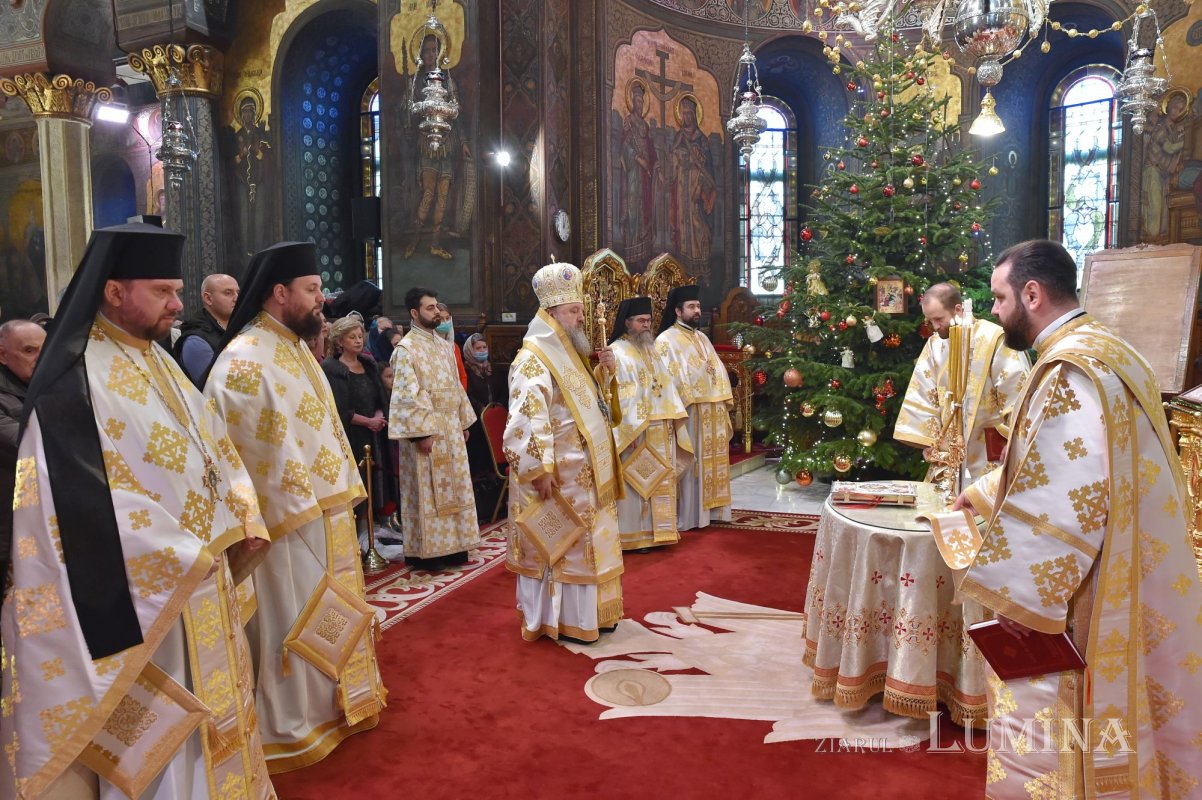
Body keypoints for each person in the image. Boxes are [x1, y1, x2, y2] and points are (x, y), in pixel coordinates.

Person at [0, 223, 274, 798]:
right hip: (146, 598)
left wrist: (243, 517)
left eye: (177, 289)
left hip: (203, 578)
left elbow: (214, 450)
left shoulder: (161, 362)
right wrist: (184, 555)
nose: (177, 303)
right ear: (114, 291)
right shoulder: (73, 383)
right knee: (170, 740)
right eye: (163, 290)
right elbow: (74, 507)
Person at [949, 240, 1202, 797]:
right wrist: (989, 492)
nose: (994, 311)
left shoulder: (1068, 368)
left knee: (1050, 725)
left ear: (1032, 294)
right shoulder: (1111, 348)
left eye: (999, 298)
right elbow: (1078, 460)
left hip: (1092, 584)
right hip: (1142, 559)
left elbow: (1069, 500)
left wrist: (1020, 600)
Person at [204, 241, 386, 772]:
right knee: (294, 619)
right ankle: (297, 723)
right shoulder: (242, 361)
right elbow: (239, 452)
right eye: (312, 290)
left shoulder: (292, 348)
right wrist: (281, 511)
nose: (321, 299)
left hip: (324, 513)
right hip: (285, 524)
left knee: (330, 612)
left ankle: (339, 702)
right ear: (280, 293)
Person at [503, 262, 625, 642]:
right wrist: (539, 469)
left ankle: (593, 614)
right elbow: (525, 416)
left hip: (585, 472)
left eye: (578, 310)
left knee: (590, 541)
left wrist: (605, 375)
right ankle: (562, 618)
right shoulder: (533, 358)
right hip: (558, 476)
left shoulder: (568, 354)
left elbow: (592, 408)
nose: (580, 318)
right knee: (562, 546)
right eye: (573, 312)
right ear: (552, 314)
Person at [894, 282, 1029, 487]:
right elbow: (924, 393)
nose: (935, 326)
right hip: (948, 453)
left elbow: (1016, 391)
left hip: (987, 449)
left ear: (958, 309)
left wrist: (1013, 440)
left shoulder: (994, 338)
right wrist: (931, 442)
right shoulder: (935, 345)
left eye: (939, 319)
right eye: (930, 321)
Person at [388, 288, 480, 566]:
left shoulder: (443, 345)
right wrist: (421, 433)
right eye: (429, 308)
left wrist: (463, 420)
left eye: (436, 307)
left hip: (450, 427)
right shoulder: (406, 349)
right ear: (414, 313)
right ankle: (427, 554)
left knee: (457, 488)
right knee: (429, 491)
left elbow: (454, 384)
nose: (437, 312)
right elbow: (406, 393)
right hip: (427, 431)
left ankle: (457, 547)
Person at [609, 297, 692, 551]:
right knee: (637, 484)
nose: (646, 325)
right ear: (627, 322)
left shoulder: (651, 349)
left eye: (648, 321)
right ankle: (635, 536)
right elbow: (620, 392)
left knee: (659, 482)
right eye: (641, 321)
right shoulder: (617, 351)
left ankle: (660, 533)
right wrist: (630, 426)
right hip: (637, 431)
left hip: (659, 428)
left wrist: (674, 418)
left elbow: (665, 385)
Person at [655, 284, 732, 530]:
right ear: (678, 311)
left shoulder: (702, 338)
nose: (697, 311)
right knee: (693, 462)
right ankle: (690, 515)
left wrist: (720, 397)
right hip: (691, 413)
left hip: (712, 410)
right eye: (691, 307)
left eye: (698, 306)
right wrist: (692, 397)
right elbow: (669, 378)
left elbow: (715, 370)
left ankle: (712, 512)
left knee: (712, 463)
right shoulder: (666, 340)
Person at [322, 315, 395, 537]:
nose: (357, 340)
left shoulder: (368, 364)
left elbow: (380, 395)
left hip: (375, 433)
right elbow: (339, 408)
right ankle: (359, 534)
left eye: (360, 336)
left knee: (377, 481)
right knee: (359, 481)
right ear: (339, 341)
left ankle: (375, 530)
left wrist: (379, 415)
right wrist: (368, 421)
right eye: (351, 337)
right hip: (352, 435)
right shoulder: (332, 368)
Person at [0, 319, 43, 605]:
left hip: (41, 523)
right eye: (29, 351)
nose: (40, 358)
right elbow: (26, 443)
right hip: (8, 526)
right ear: (2, 354)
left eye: (44, 349)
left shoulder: (49, 384)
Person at [173, 272, 239, 384]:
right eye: (228, 293)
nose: (236, 298)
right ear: (208, 298)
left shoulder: (242, 328)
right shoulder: (196, 341)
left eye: (238, 292)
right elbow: (215, 388)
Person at [462, 332, 494, 478]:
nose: (482, 351)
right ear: (470, 350)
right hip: (475, 418)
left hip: (492, 415)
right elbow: (466, 394)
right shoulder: (466, 370)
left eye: (484, 347)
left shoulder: (490, 368)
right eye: (478, 348)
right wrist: (481, 408)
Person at [435, 301, 468, 390]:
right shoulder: (427, 346)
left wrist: (462, 395)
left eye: (447, 318)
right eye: (441, 319)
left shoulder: (454, 347)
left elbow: (462, 375)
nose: (445, 322)